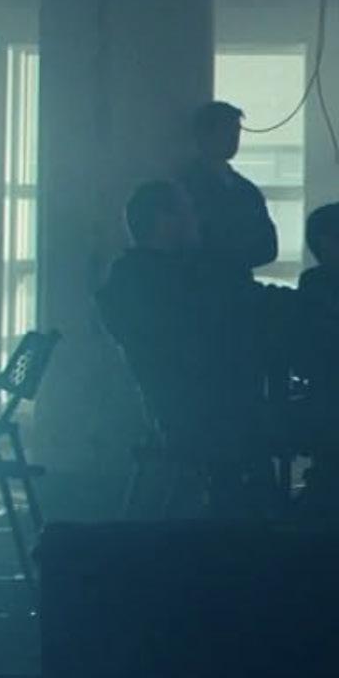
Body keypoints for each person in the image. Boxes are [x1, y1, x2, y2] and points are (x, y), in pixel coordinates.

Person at [96, 180, 273, 516]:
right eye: (189, 211)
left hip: (181, 408)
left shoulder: (135, 278)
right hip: (205, 411)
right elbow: (209, 336)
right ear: (165, 221)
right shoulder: (172, 283)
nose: (197, 220)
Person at [176, 100, 279, 286]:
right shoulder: (184, 187)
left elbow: (268, 247)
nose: (233, 138)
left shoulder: (246, 189)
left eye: (236, 131)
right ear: (203, 135)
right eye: (225, 131)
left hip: (237, 284)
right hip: (199, 285)